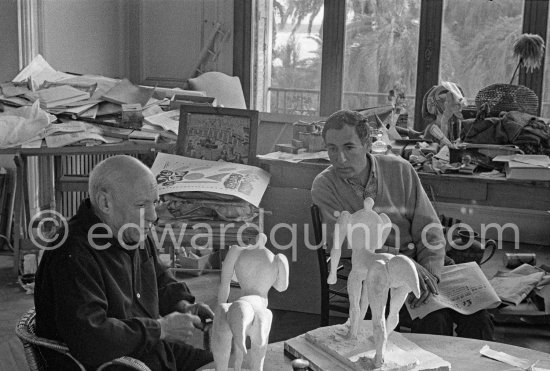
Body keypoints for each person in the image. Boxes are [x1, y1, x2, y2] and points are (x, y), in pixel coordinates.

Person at [311, 109, 494, 340]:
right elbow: (347, 245)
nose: (340, 159)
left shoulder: (400, 169)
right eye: (332, 149)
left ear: (367, 144)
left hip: (426, 263)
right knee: (434, 319)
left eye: (349, 147)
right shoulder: (324, 186)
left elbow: (430, 230)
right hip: (377, 273)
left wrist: (430, 271)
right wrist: (402, 262)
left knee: (479, 317)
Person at [34, 155, 214, 371]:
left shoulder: (133, 232)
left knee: (225, 362)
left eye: (154, 202)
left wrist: (183, 305)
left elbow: (158, 279)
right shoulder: (73, 255)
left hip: (148, 351)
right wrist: (161, 329)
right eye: (141, 204)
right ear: (105, 203)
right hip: (110, 364)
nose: (153, 216)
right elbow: (91, 339)